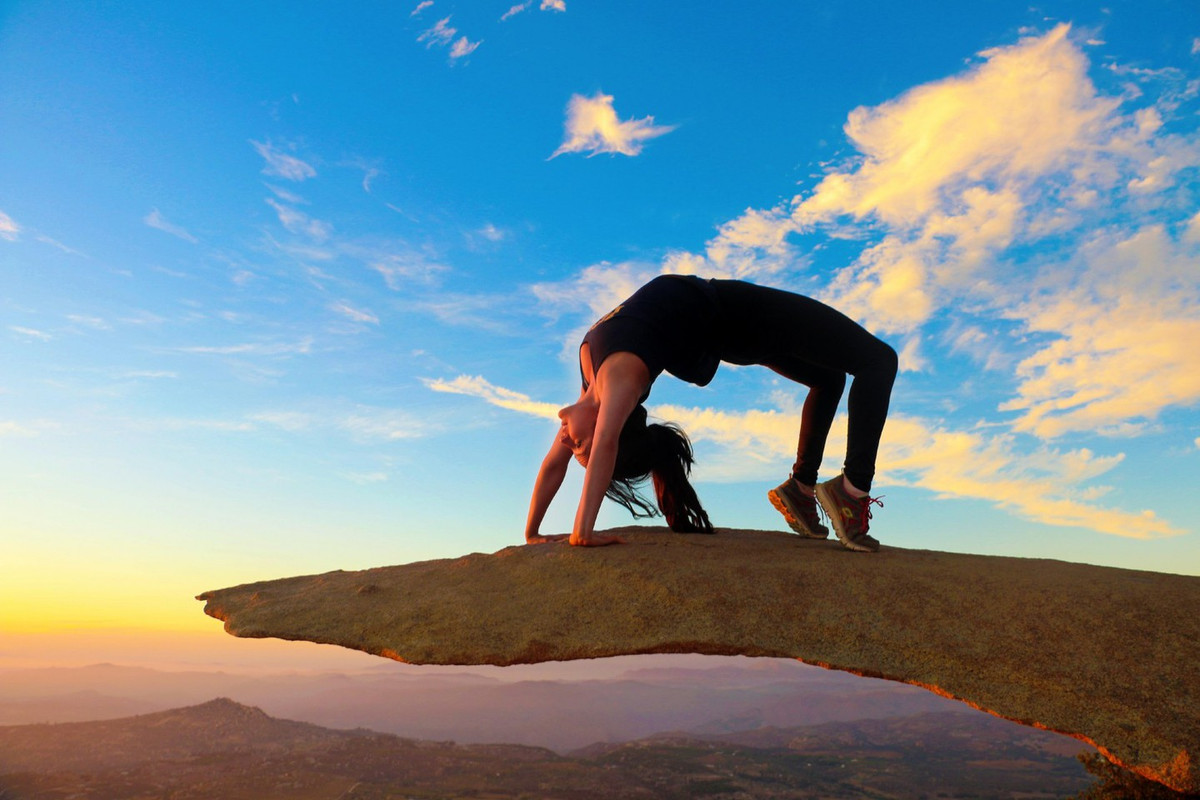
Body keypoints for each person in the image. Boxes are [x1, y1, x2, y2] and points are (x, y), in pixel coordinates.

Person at [523, 274, 897, 552]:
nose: (566, 441)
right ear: (610, 422)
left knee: (828, 378)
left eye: (575, 449)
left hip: (734, 325)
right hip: (741, 316)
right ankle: (852, 491)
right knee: (878, 360)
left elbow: (554, 465)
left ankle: (800, 489)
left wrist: (532, 532)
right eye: (579, 447)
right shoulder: (621, 380)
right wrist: (582, 532)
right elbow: (604, 442)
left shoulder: (592, 380)